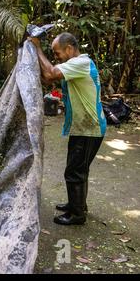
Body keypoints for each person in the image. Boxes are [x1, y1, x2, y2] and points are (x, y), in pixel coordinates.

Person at [29, 32, 107, 225]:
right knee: (80, 168)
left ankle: (77, 215)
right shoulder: (74, 66)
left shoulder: (81, 63)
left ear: (69, 49)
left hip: (89, 128)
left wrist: (37, 47)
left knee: (74, 171)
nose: (56, 57)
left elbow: (50, 73)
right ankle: (77, 204)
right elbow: (49, 79)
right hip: (83, 126)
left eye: (57, 53)